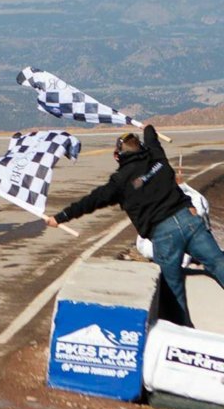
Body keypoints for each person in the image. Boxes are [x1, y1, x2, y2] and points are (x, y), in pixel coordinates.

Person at [45, 125, 224, 327]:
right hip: (189, 221)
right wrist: (148, 128)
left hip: (164, 235)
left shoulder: (119, 182)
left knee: (172, 291)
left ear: (117, 156)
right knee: (218, 262)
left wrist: (60, 217)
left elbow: (90, 201)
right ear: (140, 147)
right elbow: (151, 137)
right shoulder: (156, 157)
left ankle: (183, 335)